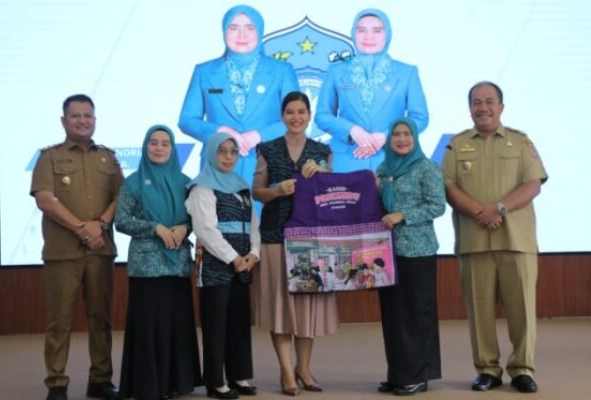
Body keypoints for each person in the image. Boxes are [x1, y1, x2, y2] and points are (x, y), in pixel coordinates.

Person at [441, 81, 548, 394]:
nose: (483, 107)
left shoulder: (521, 142)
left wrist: (499, 208)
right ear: (469, 108)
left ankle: (522, 369)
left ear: (501, 107)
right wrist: (481, 212)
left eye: (489, 101)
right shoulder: (456, 145)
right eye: (476, 102)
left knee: (522, 309)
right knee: (480, 310)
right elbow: (448, 187)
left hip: (517, 241)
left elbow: (533, 184)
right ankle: (487, 369)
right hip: (474, 241)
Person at [30, 94, 122, 400]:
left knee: (101, 319)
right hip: (63, 253)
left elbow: (122, 197)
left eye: (88, 116)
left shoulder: (108, 158)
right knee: (59, 320)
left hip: (100, 252)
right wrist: (83, 229)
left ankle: (101, 380)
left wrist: (101, 224)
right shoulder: (49, 157)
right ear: (63, 120)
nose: (83, 121)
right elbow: (45, 199)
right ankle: (57, 383)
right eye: (75, 116)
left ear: (95, 119)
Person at [252, 91, 339, 396]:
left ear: (309, 115)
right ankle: (286, 371)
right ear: (282, 115)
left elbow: (331, 193)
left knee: (305, 307)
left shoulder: (322, 151)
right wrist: (277, 191)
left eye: (301, 112)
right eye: (290, 112)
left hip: (311, 239)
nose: (296, 117)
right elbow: (257, 191)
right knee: (280, 307)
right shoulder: (267, 149)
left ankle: (304, 367)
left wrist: (323, 175)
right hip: (275, 236)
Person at [114, 125, 202, 400]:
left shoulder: (186, 183)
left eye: (165, 143)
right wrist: (156, 228)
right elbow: (121, 221)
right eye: (153, 142)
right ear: (145, 146)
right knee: (149, 325)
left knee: (176, 323)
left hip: (177, 263)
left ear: (173, 148)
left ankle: (175, 383)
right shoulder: (133, 183)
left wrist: (184, 228)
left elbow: (195, 218)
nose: (159, 148)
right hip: (146, 266)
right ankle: (149, 385)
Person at [179, 4, 299, 195]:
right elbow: (187, 120)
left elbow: (295, 120)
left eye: (249, 28)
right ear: (224, 31)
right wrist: (219, 132)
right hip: (218, 166)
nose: (242, 35)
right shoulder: (204, 72)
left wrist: (259, 135)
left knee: (265, 214)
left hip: (268, 166)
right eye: (234, 28)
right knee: (217, 214)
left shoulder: (282, 71)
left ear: (260, 31)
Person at [186, 132, 261, 399]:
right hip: (216, 267)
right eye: (222, 151)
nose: (228, 157)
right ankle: (216, 382)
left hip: (242, 267)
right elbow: (205, 229)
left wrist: (253, 253)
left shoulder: (240, 185)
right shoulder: (201, 187)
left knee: (239, 323)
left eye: (233, 152)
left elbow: (253, 224)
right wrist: (234, 258)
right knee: (216, 325)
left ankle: (238, 376)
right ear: (211, 153)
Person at [375, 117, 446, 396]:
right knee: (394, 314)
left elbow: (437, 206)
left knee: (417, 315)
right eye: (396, 134)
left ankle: (418, 376)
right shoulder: (383, 169)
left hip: (418, 251)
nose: (402, 139)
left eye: (407, 134)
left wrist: (402, 215)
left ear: (415, 138)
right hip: (387, 252)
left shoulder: (426, 167)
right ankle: (398, 375)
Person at [315, 8, 429, 173]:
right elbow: (322, 116)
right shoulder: (336, 71)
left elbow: (420, 118)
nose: (368, 36)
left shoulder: (407, 73)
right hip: (346, 160)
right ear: (353, 33)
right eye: (362, 30)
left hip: (393, 160)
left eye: (377, 30)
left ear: (387, 34)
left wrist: (387, 136)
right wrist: (352, 130)